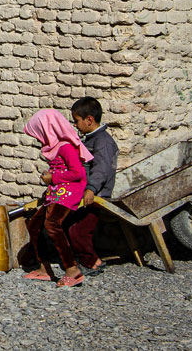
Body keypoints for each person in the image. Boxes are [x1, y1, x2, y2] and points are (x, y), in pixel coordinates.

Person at [22, 108, 93, 287]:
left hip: (70, 191)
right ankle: (44, 268)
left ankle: (72, 269)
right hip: (59, 190)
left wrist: (53, 178)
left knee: (52, 223)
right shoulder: (53, 148)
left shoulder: (66, 147)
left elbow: (77, 173)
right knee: (35, 224)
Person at [65, 96, 118, 276]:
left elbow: (101, 169)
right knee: (72, 226)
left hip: (96, 196)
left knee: (78, 231)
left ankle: (92, 262)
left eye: (77, 121)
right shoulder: (91, 139)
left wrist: (91, 189)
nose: (76, 125)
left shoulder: (102, 142)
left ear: (89, 120)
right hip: (87, 193)